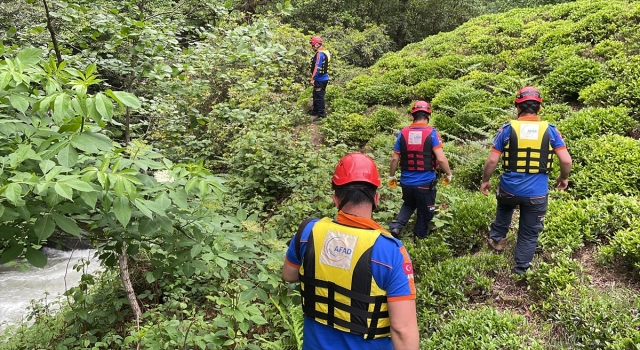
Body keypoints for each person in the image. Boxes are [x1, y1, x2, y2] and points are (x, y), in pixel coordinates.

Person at [282, 153, 419, 350]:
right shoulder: (390, 252)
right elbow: (402, 330)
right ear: (377, 199)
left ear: (336, 200)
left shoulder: (308, 232)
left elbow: (288, 274)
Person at [480, 86, 572, 275]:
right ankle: (521, 268)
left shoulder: (507, 129)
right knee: (530, 231)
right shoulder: (550, 130)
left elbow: (491, 160)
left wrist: (485, 180)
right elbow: (566, 160)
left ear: (517, 107)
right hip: (537, 193)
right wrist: (563, 177)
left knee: (504, 208)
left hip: (509, 189)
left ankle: (496, 239)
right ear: (539, 108)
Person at [388, 100, 453, 240]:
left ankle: (397, 226)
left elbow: (394, 159)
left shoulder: (403, 133)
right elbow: (441, 159)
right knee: (426, 212)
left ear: (413, 116)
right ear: (429, 116)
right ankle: (419, 239)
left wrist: (391, 176)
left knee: (409, 203)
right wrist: (448, 174)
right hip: (425, 184)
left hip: (406, 183)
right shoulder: (432, 133)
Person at [309, 36, 330, 122]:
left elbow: (317, 67)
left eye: (313, 45)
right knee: (315, 94)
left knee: (319, 96)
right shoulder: (325, 51)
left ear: (317, 44)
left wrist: (312, 78)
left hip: (320, 79)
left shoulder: (319, 54)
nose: (312, 47)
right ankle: (315, 111)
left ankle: (321, 114)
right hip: (324, 77)